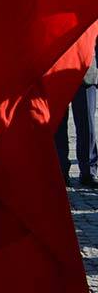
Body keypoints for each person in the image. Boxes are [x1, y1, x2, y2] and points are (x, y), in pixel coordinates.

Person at [56, 36, 98, 187]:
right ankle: (60, 171)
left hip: (86, 70)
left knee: (87, 126)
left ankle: (88, 172)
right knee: (58, 127)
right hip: (57, 71)